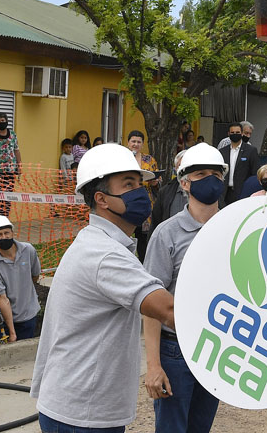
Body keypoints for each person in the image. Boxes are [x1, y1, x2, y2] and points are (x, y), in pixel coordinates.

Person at [31, 143, 175, 432]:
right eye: (129, 184)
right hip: (81, 415)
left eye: (141, 184)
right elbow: (167, 309)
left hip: (81, 407)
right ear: (102, 199)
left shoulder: (99, 242)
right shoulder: (104, 254)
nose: (141, 192)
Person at [143, 143, 227, 433]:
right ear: (184, 182)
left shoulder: (235, 229)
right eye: (201, 173)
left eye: (216, 174)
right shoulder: (167, 234)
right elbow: (151, 305)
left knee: (200, 427)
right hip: (175, 349)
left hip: (216, 348)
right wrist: (154, 366)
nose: (210, 179)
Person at [0, 215, 41, 343]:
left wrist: (25, 293)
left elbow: (35, 275)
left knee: (22, 357)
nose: (4, 237)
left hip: (28, 315)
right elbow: (2, 298)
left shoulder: (29, 250)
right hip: (2, 318)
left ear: (12, 233)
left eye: (6, 233)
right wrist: (12, 332)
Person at [129, 130, 160, 260]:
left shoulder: (149, 159)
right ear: (128, 142)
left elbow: (157, 180)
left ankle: (144, 263)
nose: (135, 144)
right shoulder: (122, 157)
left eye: (138, 142)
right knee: (127, 236)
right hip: (126, 202)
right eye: (133, 141)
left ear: (142, 144)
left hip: (145, 203)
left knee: (143, 239)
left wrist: (154, 182)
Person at [218, 122, 259, 204]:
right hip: (225, 193)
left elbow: (255, 172)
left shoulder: (251, 150)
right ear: (228, 134)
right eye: (232, 133)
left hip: (243, 192)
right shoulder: (222, 151)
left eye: (237, 132)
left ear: (241, 133)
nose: (235, 134)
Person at [150, 150, 188, 239]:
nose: (184, 169)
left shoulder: (206, 191)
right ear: (175, 169)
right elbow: (156, 222)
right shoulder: (166, 192)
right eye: (180, 165)